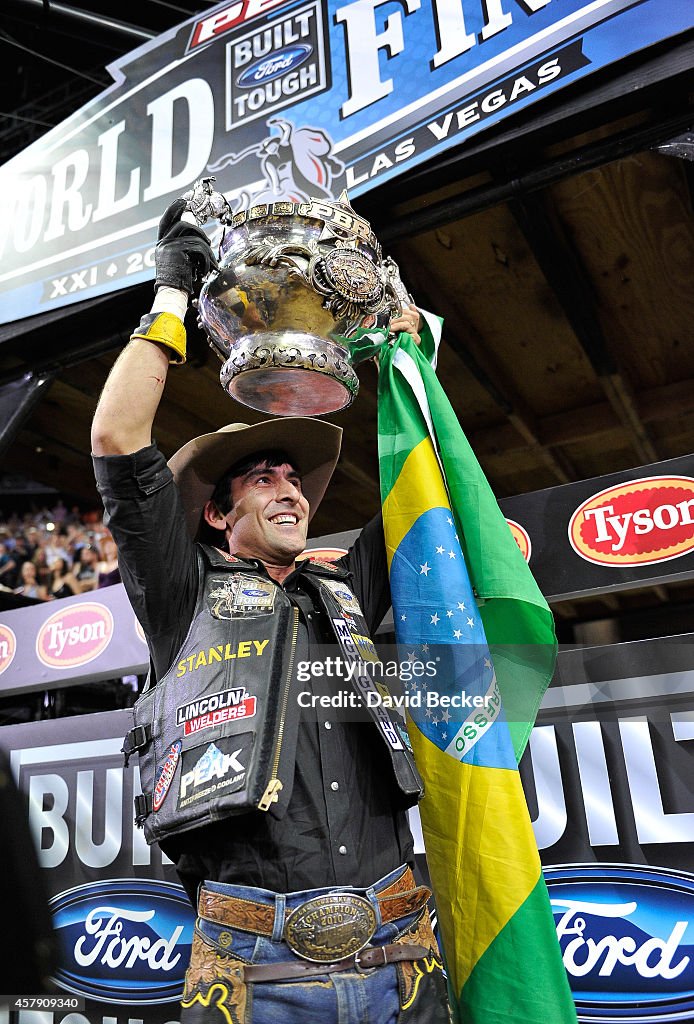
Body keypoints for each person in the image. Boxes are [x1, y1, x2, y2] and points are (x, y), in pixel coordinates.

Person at [91, 200, 449, 1024]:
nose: (289, 489)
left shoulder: (348, 584)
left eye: (295, 480)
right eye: (263, 479)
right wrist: (172, 298)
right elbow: (115, 439)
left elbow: (427, 471)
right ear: (217, 514)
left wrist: (403, 337)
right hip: (256, 970)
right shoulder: (180, 592)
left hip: (401, 947)